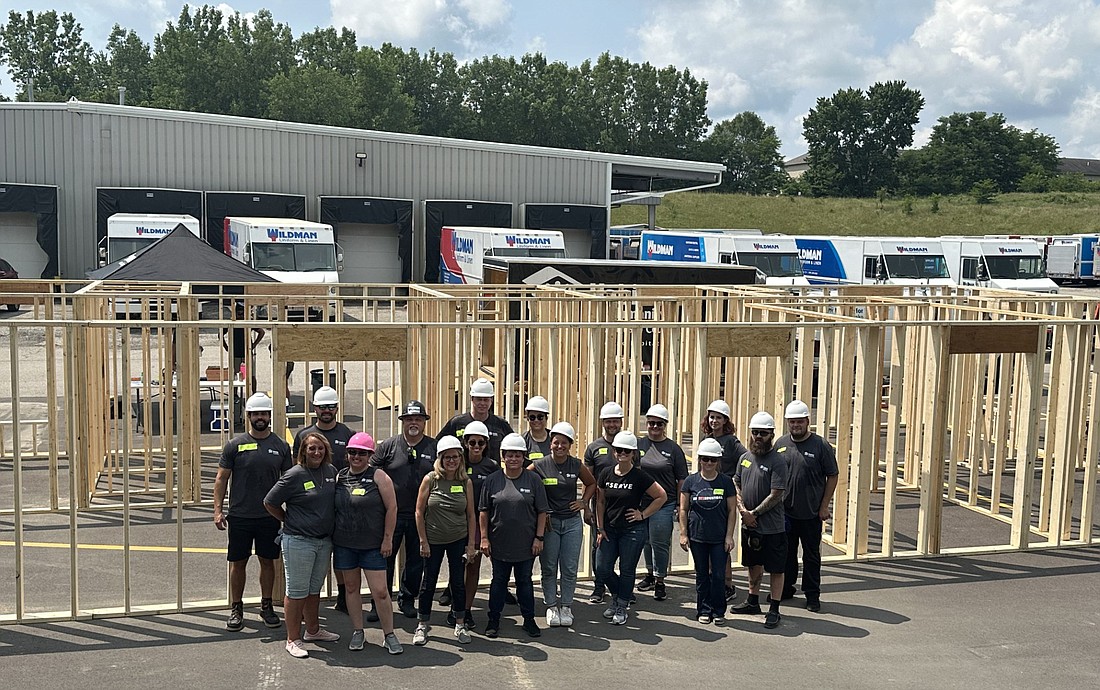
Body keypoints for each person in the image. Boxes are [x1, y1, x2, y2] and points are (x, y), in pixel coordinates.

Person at [213, 392, 292, 633]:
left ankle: (266, 606)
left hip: (269, 517)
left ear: (269, 416)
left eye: (264, 414)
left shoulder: (280, 446)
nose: (260, 417)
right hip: (239, 516)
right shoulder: (234, 445)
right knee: (238, 563)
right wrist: (218, 510)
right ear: (248, 416)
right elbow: (221, 479)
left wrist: (291, 515)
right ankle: (236, 608)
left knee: (268, 563)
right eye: (256, 414)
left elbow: (289, 482)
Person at [264, 432, 339, 658]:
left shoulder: (331, 472)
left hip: (324, 541)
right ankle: (293, 638)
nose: (316, 452)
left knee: (314, 589)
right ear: (303, 452)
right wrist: (287, 519)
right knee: (296, 592)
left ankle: (313, 630)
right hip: (298, 540)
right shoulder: (294, 475)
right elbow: (269, 501)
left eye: (320, 449)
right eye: (311, 449)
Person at [331, 432, 402, 655]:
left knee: (380, 591)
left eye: (361, 453)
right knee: (351, 589)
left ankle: (389, 634)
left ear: (370, 455)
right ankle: (358, 631)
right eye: (352, 452)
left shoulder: (380, 477)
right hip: (345, 544)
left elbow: (392, 508)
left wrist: (387, 538)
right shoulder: (340, 477)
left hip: (373, 545)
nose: (356, 457)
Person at [370, 400, 437, 621]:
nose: (413, 423)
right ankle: (379, 602)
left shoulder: (433, 447)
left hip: (420, 516)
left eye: (418, 419)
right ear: (402, 422)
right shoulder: (388, 446)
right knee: (384, 560)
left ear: (425, 422)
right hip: (391, 515)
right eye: (409, 419)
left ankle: (408, 600)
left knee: (416, 561)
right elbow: (371, 473)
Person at [292, 386, 356, 613]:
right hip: (312, 502)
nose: (326, 411)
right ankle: (306, 600)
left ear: (337, 408)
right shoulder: (303, 435)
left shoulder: (346, 433)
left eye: (330, 406)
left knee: (339, 549)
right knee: (312, 552)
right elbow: (297, 468)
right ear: (314, 408)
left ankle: (342, 594)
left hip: (340, 500)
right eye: (322, 407)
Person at [479, 433, 549, 638]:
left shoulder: (534, 480)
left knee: (524, 583)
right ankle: (493, 620)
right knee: (498, 582)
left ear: (524, 457)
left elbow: (542, 511)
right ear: (503, 456)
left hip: (526, 545)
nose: (513, 459)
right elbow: (483, 511)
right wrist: (484, 538)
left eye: (518, 455)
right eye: (509, 455)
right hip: (499, 544)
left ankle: (529, 620)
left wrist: (539, 538)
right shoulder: (492, 481)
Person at [595, 431, 666, 625]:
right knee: (602, 568)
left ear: (633, 453)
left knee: (627, 569)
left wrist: (642, 514)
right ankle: (620, 596)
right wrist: (600, 528)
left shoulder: (639, 476)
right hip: (609, 529)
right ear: (613, 451)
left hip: (632, 530)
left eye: (627, 450)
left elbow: (661, 496)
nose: (622, 453)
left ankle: (621, 604)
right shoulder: (605, 473)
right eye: (619, 450)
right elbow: (600, 501)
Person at [530, 422, 595, 627]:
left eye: (564, 443)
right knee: (549, 567)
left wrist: (584, 502)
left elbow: (592, 483)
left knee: (569, 567)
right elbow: (523, 478)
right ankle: (551, 606)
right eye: (556, 442)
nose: (560, 446)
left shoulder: (575, 465)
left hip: (572, 523)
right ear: (550, 444)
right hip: (550, 524)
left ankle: (566, 606)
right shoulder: (540, 465)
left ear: (570, 445)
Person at [413, 435, 477, 646]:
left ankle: (460, 624)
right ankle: (422, 625)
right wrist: (423, 540)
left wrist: (470, 544)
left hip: (457, 539)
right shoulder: (430, 479)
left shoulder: (465, 481)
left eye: (456, 457)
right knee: (428, 583)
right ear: (440, 458)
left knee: (458, 583)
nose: (452, 461)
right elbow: (419, 512)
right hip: (433, 540)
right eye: (447, 457)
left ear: (461, 458)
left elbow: (470, 515)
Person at [777, 399, 839, 613]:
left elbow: (832, 476)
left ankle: (812, 595)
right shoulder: (781, 444)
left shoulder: (821, 446)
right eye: (791, 422)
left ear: (807, 421)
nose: (795, 426)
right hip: (786, 513)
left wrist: (824, 506)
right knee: (786, 554)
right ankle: (786, 588)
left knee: (811, 555)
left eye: (799, 422)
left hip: (811, 514)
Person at [731, 411, 791, 629]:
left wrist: (753, 514)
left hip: (772, 528)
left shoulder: (778, 461)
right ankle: (752, 600)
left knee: (776, 568)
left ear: (771, 435)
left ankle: (774, 608)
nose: (758, 437)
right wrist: (742, 510)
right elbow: (735, 484)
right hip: (750, 525)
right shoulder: (745, 458)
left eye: (763, 434)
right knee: (753, 564)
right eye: (755, 432)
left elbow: (776, 494)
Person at [678, 438, 737, 625]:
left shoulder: (726, 482)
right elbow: (683, 509)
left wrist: (729, 536)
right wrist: (683, 533)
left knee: (719, 576)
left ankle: (719, 611)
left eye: (713, 459)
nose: (709, 463)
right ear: (699, 460)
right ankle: (703, 609)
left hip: (719, 538)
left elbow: (731, 511)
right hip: (698, 537)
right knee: (702, 575)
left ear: (718, 461)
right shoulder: (691, 481)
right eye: (705, 459)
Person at [636, 403, 688, 602]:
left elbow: (682, 479)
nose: (654, 427)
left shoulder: (673, 449)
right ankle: (650, 574)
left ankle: (660, 581)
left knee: (659, 541)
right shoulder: (639, 445)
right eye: (651, 423)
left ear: (664, 425)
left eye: (659, 424)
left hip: (665, 503)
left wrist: (679, 505)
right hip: (642, 502)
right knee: (646, 541)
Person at [700, 398, 748, 602]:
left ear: (725, 420)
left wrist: (734, 480)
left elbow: (747, 459)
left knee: (722, 541)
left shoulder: (731, 442)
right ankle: (715, 579)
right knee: (708, 538)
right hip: (707, 492)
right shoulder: (707, 438)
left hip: (723, 492)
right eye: (712, 417)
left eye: (718, 418)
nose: (714, 421)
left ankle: (728, 584)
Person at [455, 420, 500, 630]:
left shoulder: (491, 467)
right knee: (456, 568)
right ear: (465, 443)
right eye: (472, 442)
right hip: (455, 523)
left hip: (478, 524)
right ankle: (455, 609)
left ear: (485, 444)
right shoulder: (456, 463)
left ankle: (467, 609)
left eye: (480, 443)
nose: (476, 446)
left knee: (473, 569)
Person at [583, 401, 625, 604]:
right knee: (597, 546)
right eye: (608, 421)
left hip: (625, 507)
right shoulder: (594, 448)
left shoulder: (628, 444)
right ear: (602, 423)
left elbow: (639, 476)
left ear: (621, 422)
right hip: (600, 506)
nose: (612, 424)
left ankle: (622, 588)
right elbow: (588, 480)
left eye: (615, 421)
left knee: (623, 548)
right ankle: (599, 587)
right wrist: (586, 507)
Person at [436, 378, 514, 460]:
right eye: (479, 399)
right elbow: (437, 445)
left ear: (491, 400)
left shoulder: (500, 424)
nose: (482, 403)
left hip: (492, 471)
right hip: (463, 472)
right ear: (472, 399)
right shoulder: (457, 423)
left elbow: (515, 448)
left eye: (486, 400)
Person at [221, 301, 264, 394]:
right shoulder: (231, 323)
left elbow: (261, 332)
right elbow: (220, 334)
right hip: (235, 353)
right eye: (239, 313)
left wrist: (254, 345)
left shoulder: (248, 322)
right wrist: (226, 347)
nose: (240, 315)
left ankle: (253, 393)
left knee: (251, 375)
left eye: (242, 313)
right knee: (234, 376)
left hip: (247, 352)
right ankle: (235, 394)